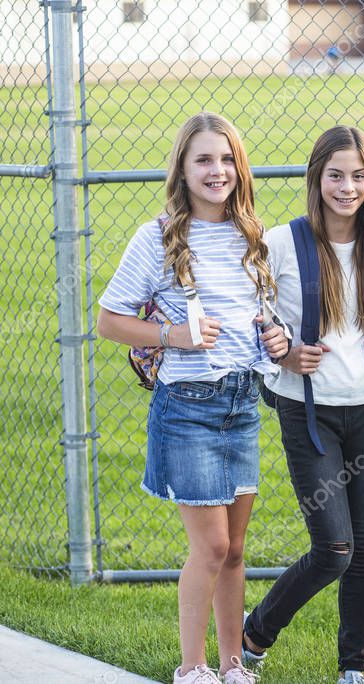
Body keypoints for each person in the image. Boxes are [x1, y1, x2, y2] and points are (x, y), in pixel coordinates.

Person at [97, 112, 289, 684]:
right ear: (182, 167)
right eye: (204, 159)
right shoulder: (156, 237)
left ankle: (234, 665)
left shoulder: (254, 236)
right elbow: (109, 322)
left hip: (241, 404)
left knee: (234, 551)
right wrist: (172, 335)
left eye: (227, 159)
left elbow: (261, 321)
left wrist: (275, 339)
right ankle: (193, 667)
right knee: (210, 547)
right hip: (188, 407)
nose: (218, 170)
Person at [241, 126, 364, 684]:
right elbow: (257, 318)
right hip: (308, 413)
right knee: (334, 546)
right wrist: (284, 352)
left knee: (363, 548)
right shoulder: (283, 243)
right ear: (316, 178)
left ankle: (353, 668)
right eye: (336, 174)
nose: (347, 186)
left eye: (358, 175)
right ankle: (255, 633)